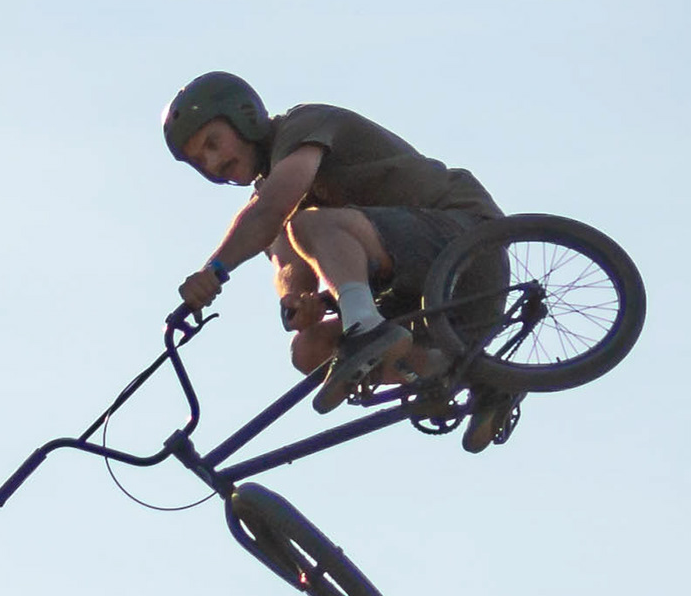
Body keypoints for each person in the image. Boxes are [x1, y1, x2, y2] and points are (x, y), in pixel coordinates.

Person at [164, 70, 518, 451]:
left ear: (244, 117)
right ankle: (473, 376)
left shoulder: (304, 126)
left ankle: (367, 328)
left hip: (465, 244)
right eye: (200, 161)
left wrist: (214, 271)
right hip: (425, 300)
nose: (213, 162)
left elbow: (272, 211)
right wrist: (296, 302)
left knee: (308, 223)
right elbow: (287, 262)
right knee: (308, 351)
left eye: (213, 143)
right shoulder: (268, 198)